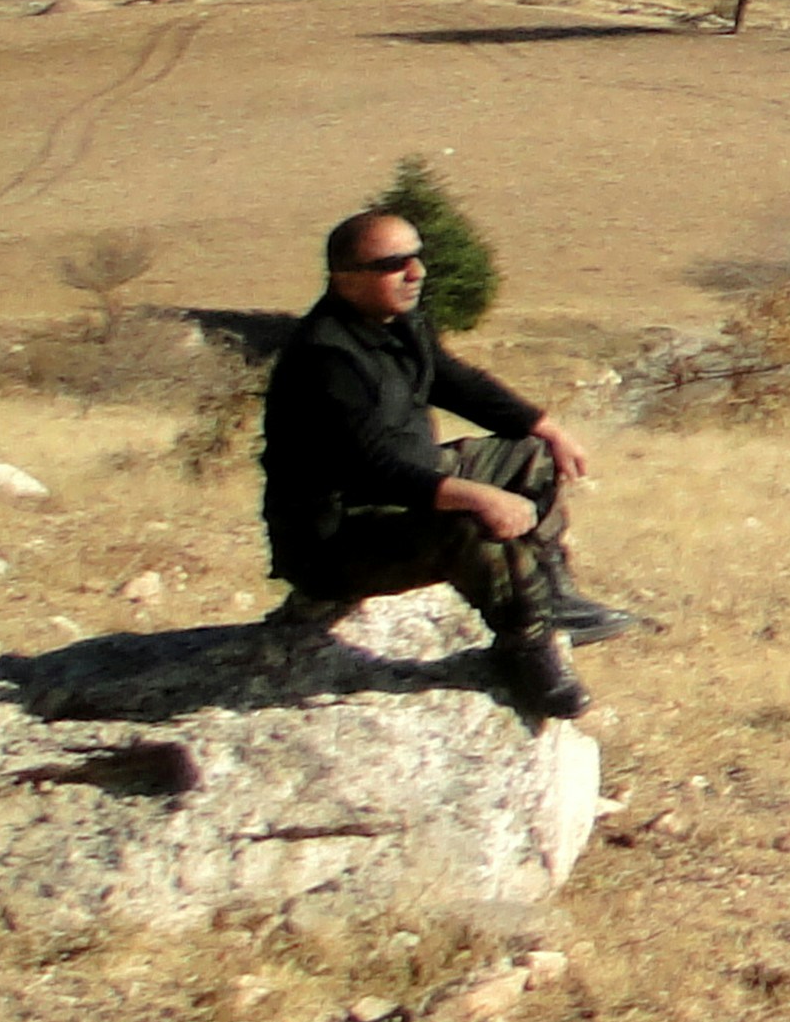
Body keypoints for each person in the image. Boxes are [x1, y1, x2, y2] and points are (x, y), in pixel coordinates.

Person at [261, 207, 619, 721]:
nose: (416, 273)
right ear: (346, 279)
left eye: (417, 258)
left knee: (527, 456)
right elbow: (370, 469)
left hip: (409, 482)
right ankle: (527, 646)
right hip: (339, 536)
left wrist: (544, 426)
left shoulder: (400, 324)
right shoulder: (326, 357)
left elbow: (452, 380)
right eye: (393, 263)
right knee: (470, 528)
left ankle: (554, 593)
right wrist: (476, 495)